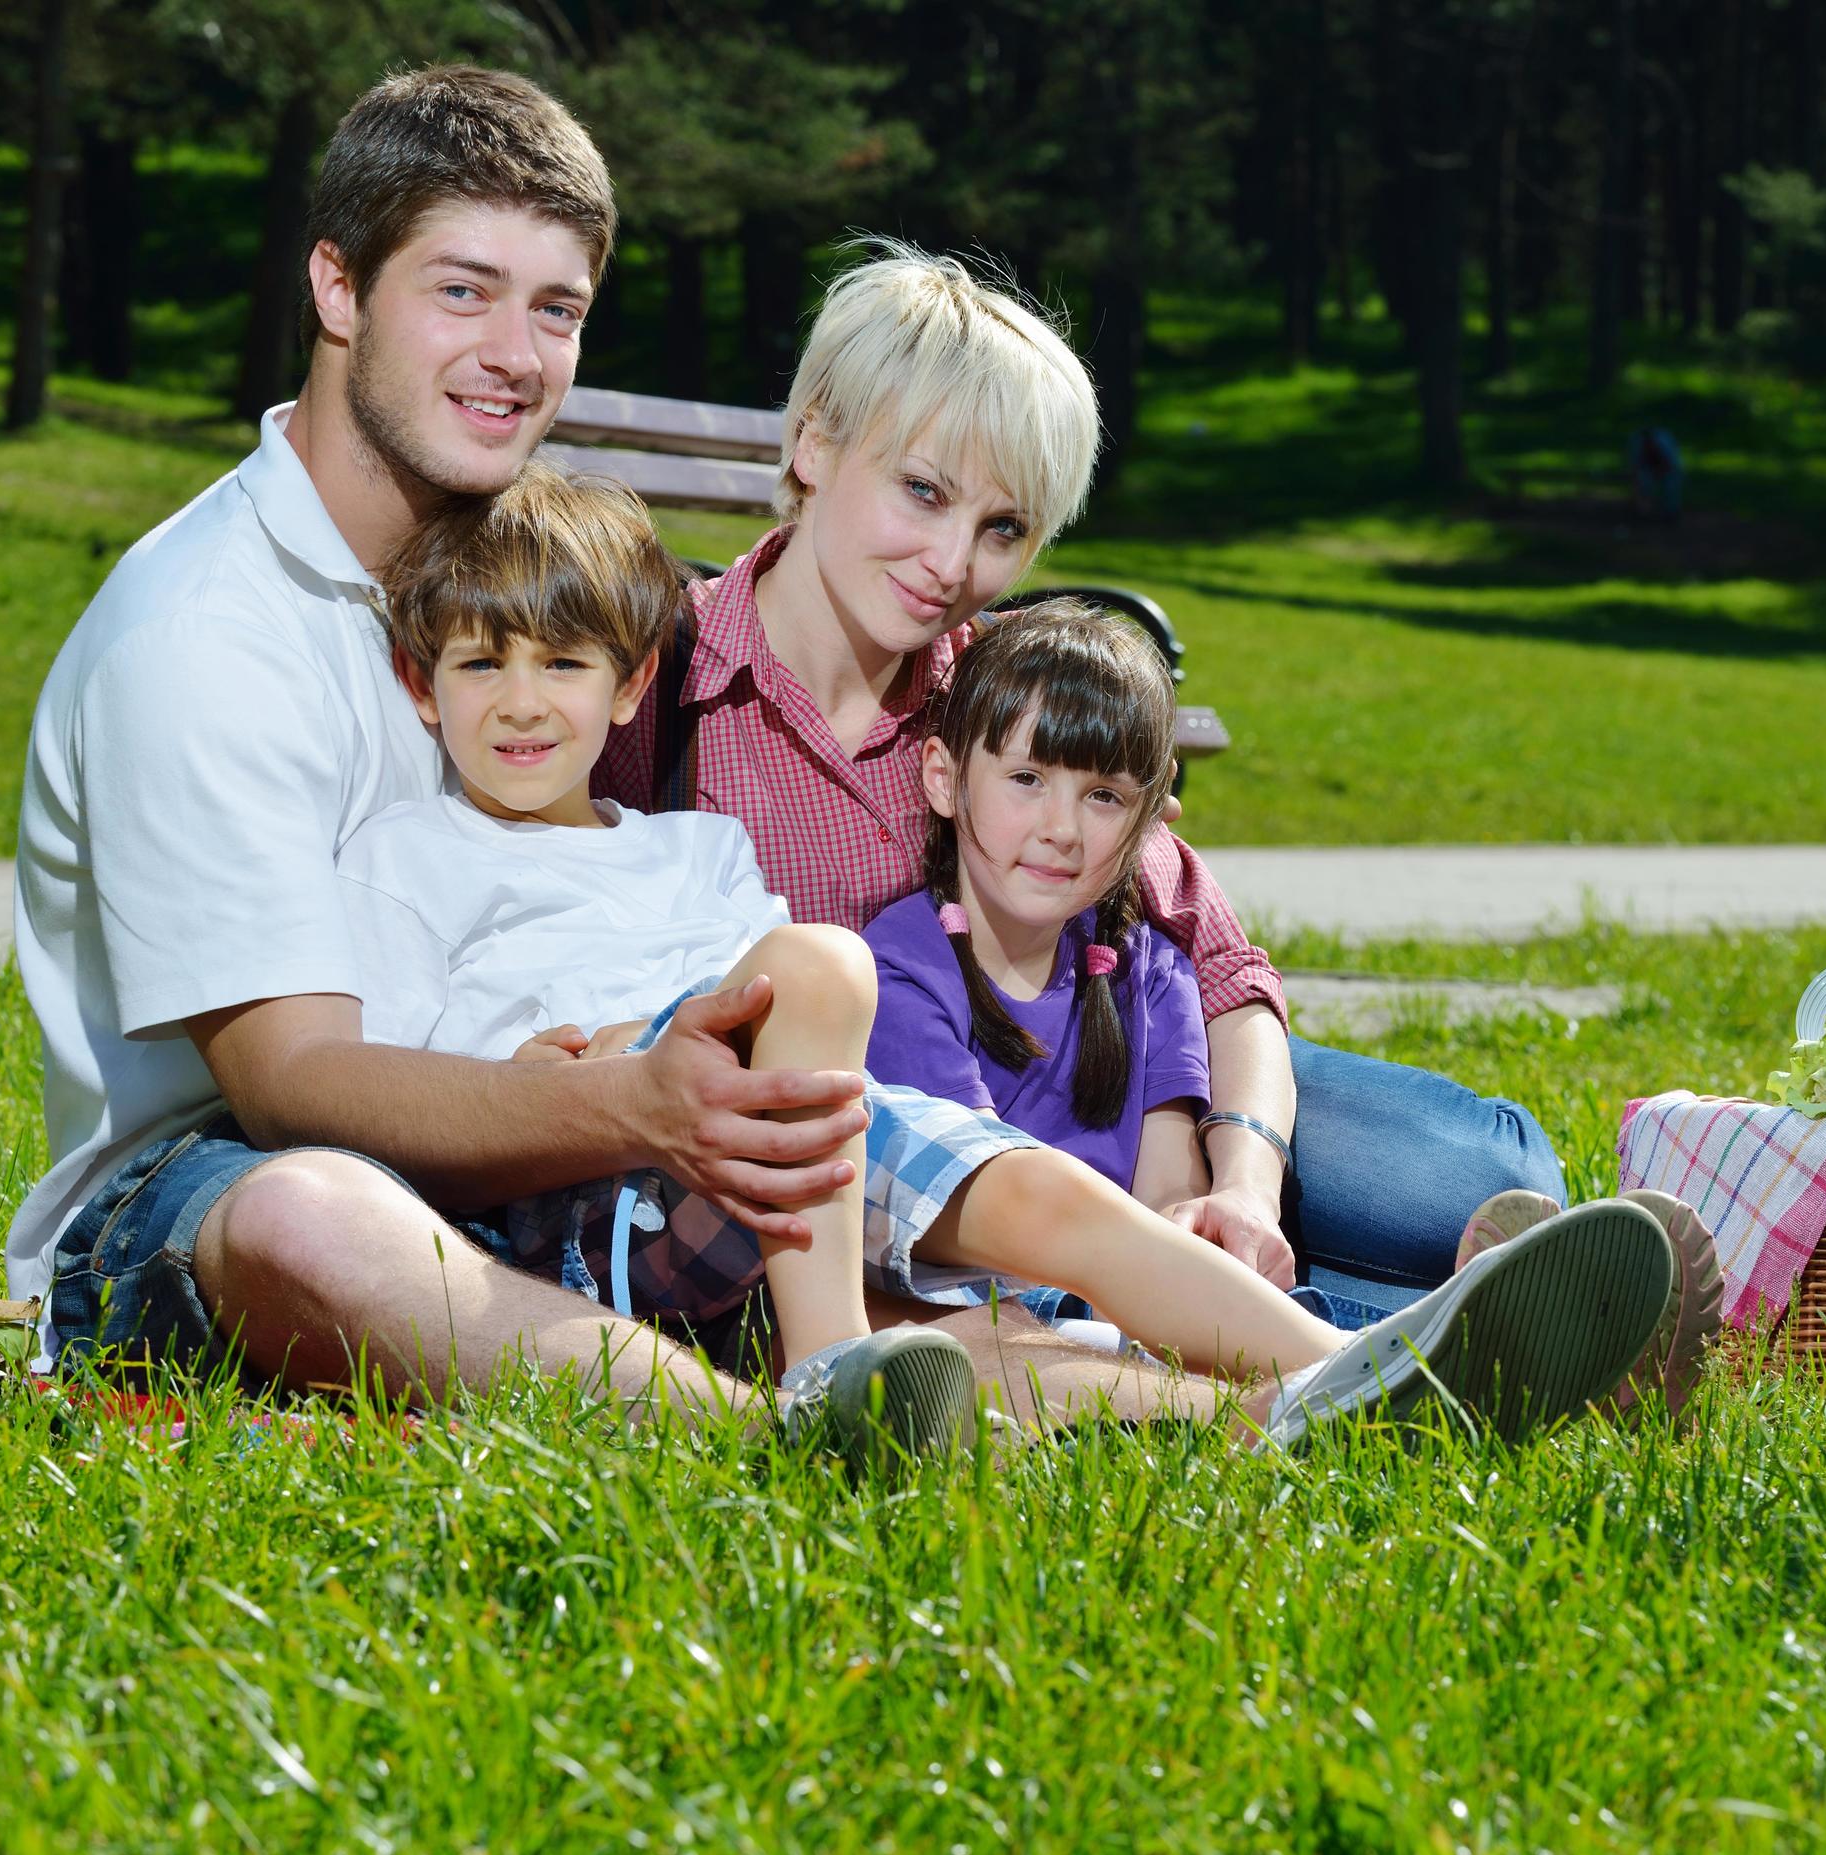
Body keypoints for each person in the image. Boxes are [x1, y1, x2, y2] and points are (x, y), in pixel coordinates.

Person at [2, 66, 1141, 1431]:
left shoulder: (511, 599)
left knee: (883, 1268)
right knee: (315, 1216)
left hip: (533, 1162)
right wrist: (631, 1106)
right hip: (216, 1185)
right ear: (336, 290)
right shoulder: (203, 627)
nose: (514, 352)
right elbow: (286, 1081)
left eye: (557, 310)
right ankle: (772, 1437)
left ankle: (1296, 1387)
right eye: (461, 290)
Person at [335, 464, 1682, 1447]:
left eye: (562, 665)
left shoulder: (688, 849)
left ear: (622, 687)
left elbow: (1201, 951)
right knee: (822, 975)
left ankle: (1319, 1393)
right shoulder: (406, 859)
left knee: (1022, 1274)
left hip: (801, 1138)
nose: (522, 701)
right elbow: (385, 1087)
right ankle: (825, 1376)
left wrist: (1239, 1176)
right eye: (481, 666)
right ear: (421, 683)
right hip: (619, 1186)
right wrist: (527, 1072)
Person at [596, 243, 1568, 1323]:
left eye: (1002, 526)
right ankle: (1457, 1327)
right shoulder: (660, 682)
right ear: (815, 441)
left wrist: (1243, 1186)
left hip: (1092, 1093)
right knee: (1376, 1260)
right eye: (922, 492)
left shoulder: (1000, 676)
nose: (952, 562)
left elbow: (1217, 964)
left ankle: (1474, 1300)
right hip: (884, 1183)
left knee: (1478, 1178)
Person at [859, 596, 1725, 1414]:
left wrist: (1208, 1231)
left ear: (1151, 817)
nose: (1060, 827)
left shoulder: (1145, 966)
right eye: (1025, 778)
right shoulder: (903, 973)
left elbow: (1170, 1185)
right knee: (1045, 1355)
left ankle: (1542, 1347)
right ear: (943, 777)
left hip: (1157, 1302)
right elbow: (978, 1219)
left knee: (1271, 1316)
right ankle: (1466, 1363)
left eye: (1102, 797)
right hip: (1008, 1303)